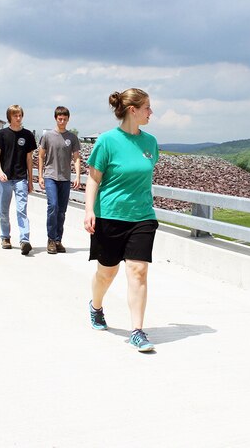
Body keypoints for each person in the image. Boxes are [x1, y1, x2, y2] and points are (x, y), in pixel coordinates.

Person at [84, 88, 159, 353]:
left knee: (138, 271)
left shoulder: (150, 143)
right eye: (147, 107)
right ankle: (96, 306)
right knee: (107, 272)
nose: (151, 112)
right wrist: (89, 210)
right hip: (109, 216)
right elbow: (94, 179)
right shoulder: (106, 141)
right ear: (132, 110)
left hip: (142, 217)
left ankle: (137, 331)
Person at [0, 105, 37, 255]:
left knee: (21, 210)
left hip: (20, 178)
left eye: (20, 115)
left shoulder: (28, 135)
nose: (18, 118)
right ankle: (5, 237)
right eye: (15, 116)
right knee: (3, 211)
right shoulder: (2, 134)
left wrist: (30, 180)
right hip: (4, 178)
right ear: (9, 117)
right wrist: (0, 171)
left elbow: (29, 159)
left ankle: (25, 240)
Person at [38, 106, 81, 254]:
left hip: (65, 178)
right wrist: (40, 176)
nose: (62, 121)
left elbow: (76, 157)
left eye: (64, 119)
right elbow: (41, 156)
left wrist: (77, 175)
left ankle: (58, 240)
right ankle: (50, 239)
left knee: (62, 211)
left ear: (68, 119)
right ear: (55, 118)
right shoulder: (47, 136)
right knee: (53, 206)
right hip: (50, 176)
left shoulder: (72, 138)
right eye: (59, 118)